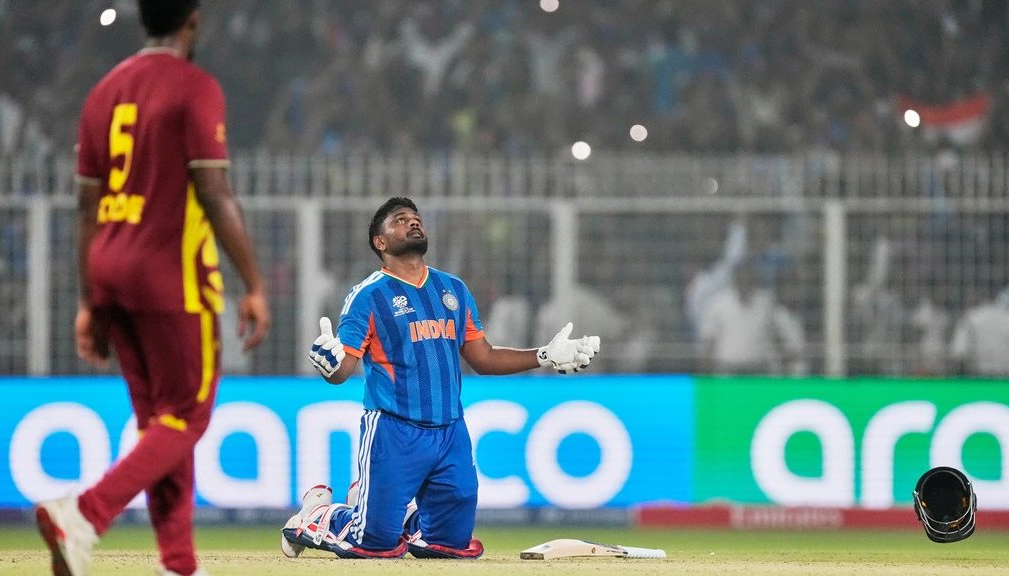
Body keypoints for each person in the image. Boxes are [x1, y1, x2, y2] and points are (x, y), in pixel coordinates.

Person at [35, 2, 271, 576]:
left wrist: (89, 301)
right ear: (193, 19)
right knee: (188, 414)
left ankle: (179, 564)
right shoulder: (194, 87)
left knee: (161, 425)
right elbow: (213, 192)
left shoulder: (103, 93)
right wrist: (254, 284)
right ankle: (83, 515)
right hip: (170, 273)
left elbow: (85, 206)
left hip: (110, 268)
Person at [282, 197, 599, 559]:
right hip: (394, 431)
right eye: (400, 220)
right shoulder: (368, 296)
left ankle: (384, 509)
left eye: (415, 218)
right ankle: (315, 515)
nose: (413, 222)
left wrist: (544, 355)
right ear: (379, 242)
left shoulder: (453, 289)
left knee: (449, 544)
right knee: (373, 544)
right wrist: (329, 365)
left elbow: (483, 357)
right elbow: (342, 371)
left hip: (450, 432)